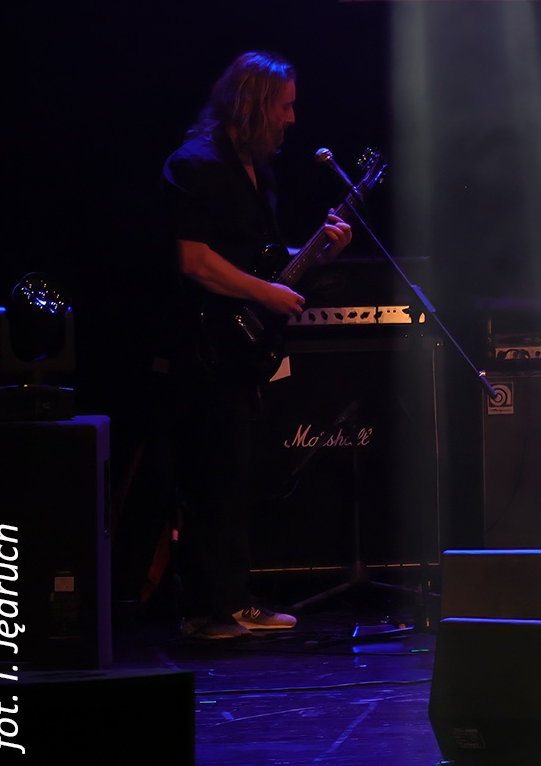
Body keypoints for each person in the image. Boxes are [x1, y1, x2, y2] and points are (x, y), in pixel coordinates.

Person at [161, 52, 351, 640]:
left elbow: (257, 260)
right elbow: (194, 260)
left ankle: (233, 600)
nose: (292, 118)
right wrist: (265, 293)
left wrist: (318, 251)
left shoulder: (257, 169)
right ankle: (205, 611)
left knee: (238, 476)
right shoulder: (196, 165)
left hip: (242, 350)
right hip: (204, 347)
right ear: (255, 103)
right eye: (285, 106)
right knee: (210, 477)